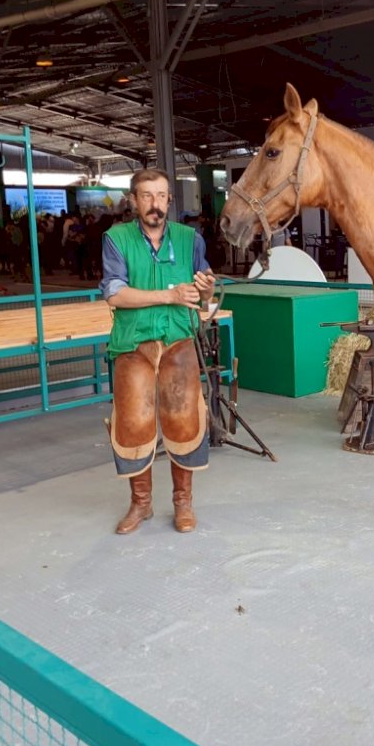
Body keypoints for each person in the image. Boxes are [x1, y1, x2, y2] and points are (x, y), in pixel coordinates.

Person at [100, 168, 215, 535]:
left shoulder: (189, 239)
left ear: (170, 199)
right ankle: (141, 504)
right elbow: (115, 293)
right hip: (133, 343)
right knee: (134, 423)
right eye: (146, 195)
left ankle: (183, 502)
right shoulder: (116, 238)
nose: (155, 203)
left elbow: (204, 295)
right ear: (133, 200)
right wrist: (168, 295)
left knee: (185, 421)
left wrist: (207, 289)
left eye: (162, 195)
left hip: (178, 339)